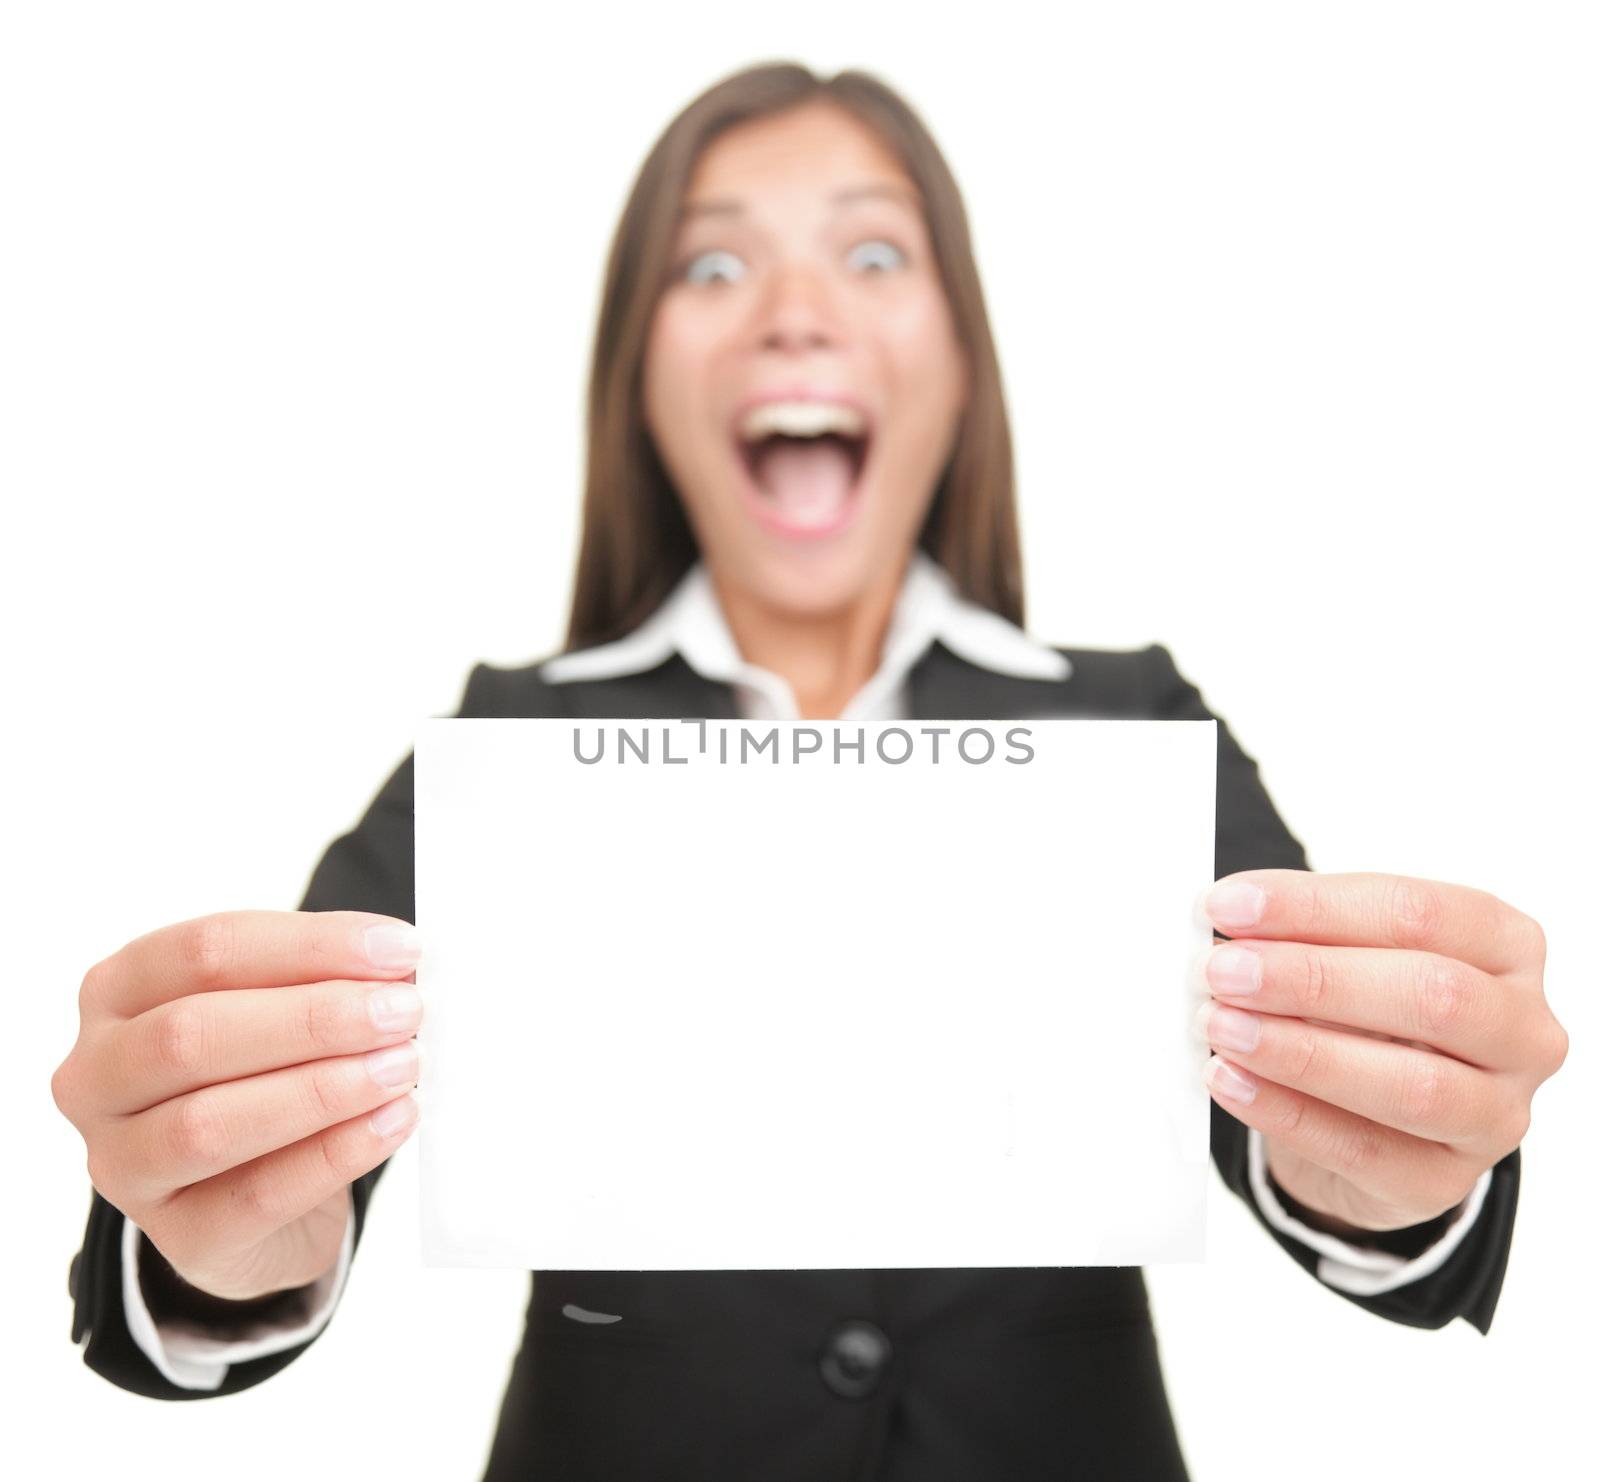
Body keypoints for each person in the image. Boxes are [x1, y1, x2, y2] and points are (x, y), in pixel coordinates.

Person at [52, 61, 1567, 1481]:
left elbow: (1317, 1131)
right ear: (638, 381)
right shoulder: (505, 742)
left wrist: (1395, 1169)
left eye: (870, 256)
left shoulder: (1135, 722)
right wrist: (226, 1224)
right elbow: (271, 1190)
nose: (791, 310)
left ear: (962, 362)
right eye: (711, 267)